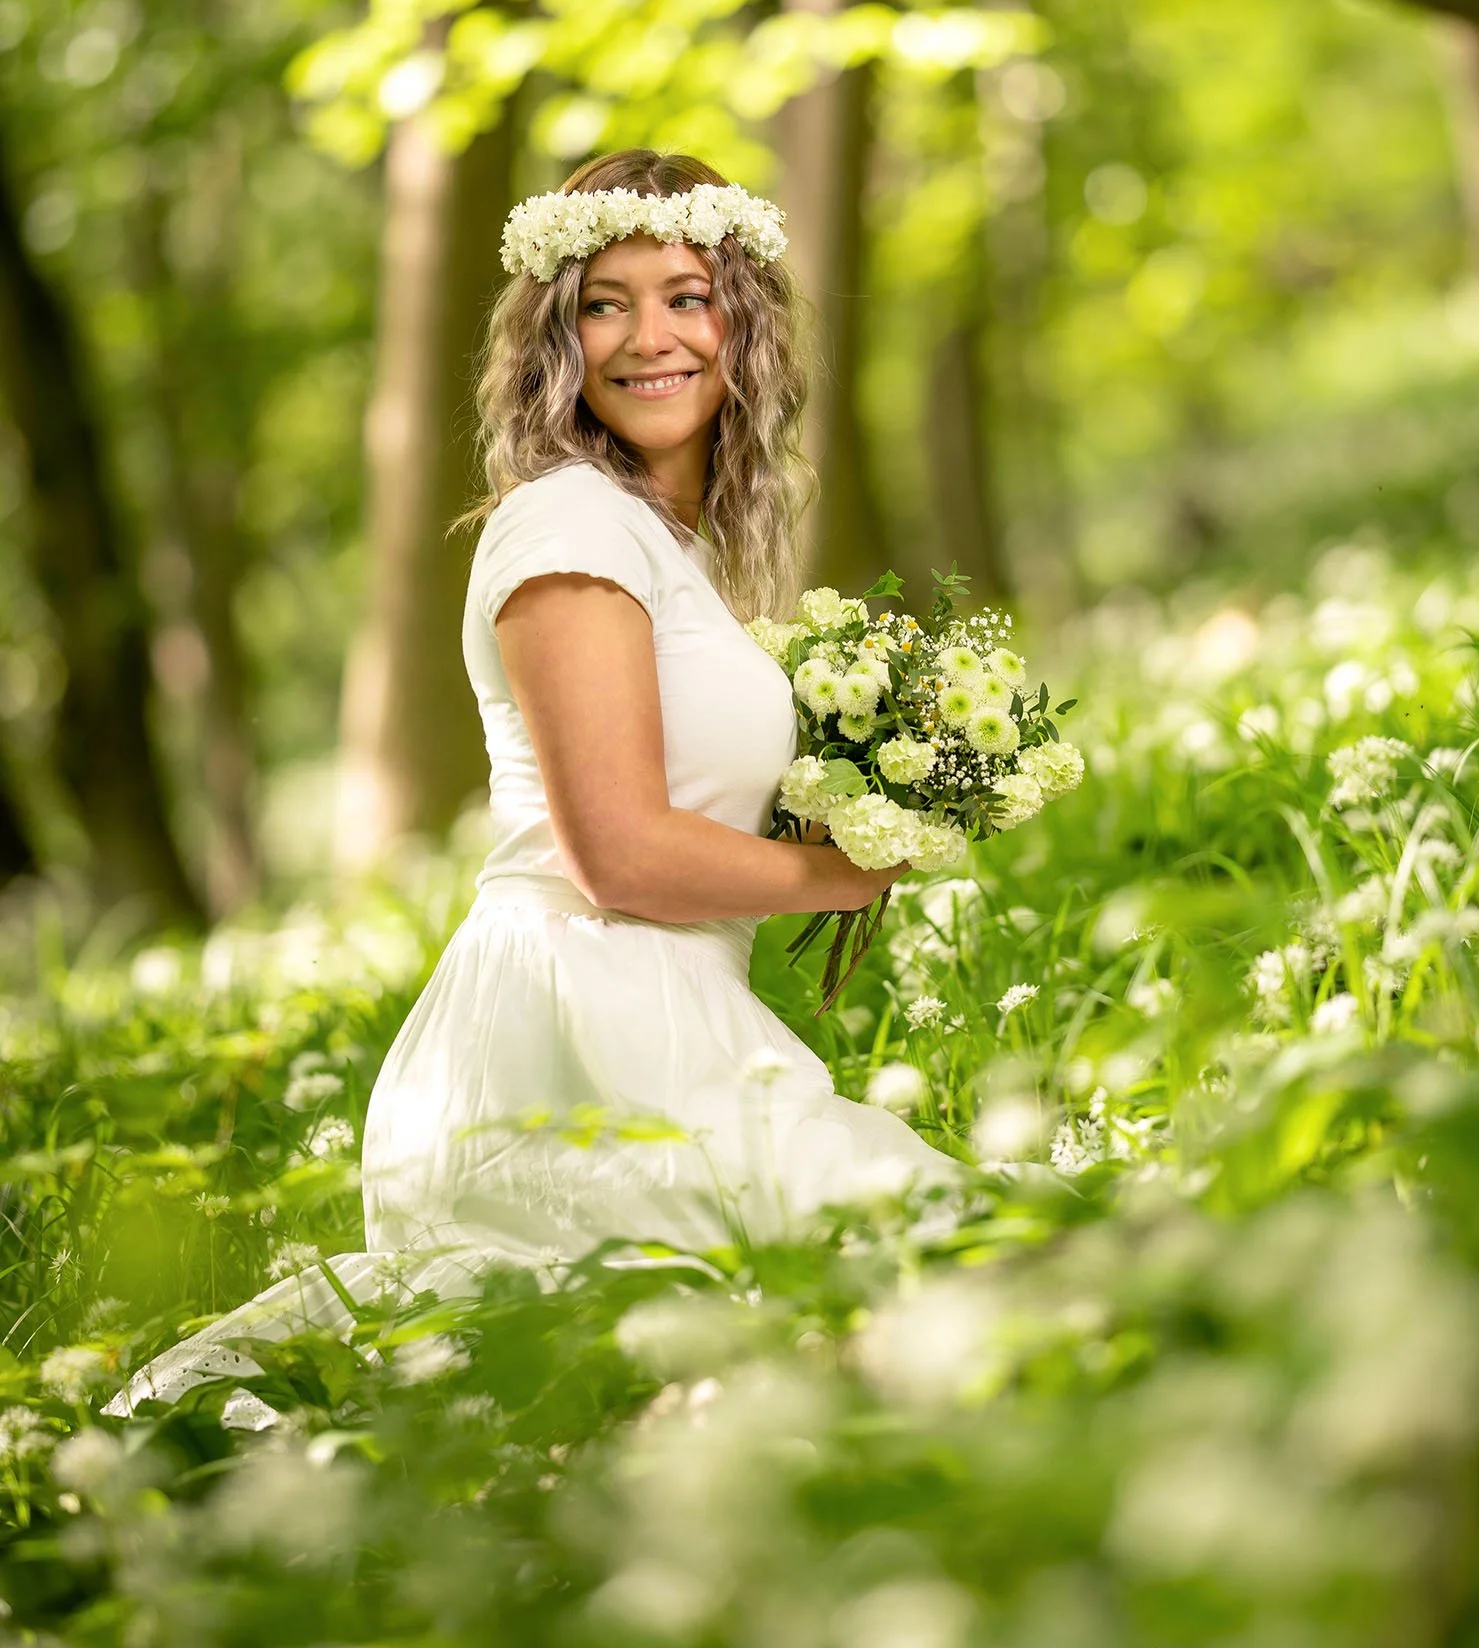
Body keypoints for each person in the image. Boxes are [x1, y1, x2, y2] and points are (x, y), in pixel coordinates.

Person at [110, 150, 960, 1419]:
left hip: (658, 1005)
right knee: (895, 1293)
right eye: (604, 302)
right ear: (556, 336)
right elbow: (618, 851)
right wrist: (852, 870)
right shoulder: (570, 526)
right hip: (579, 1022)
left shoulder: (658, 539)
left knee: (880, 1312)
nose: (648, 336)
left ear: (745, 321)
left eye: (687, 295)